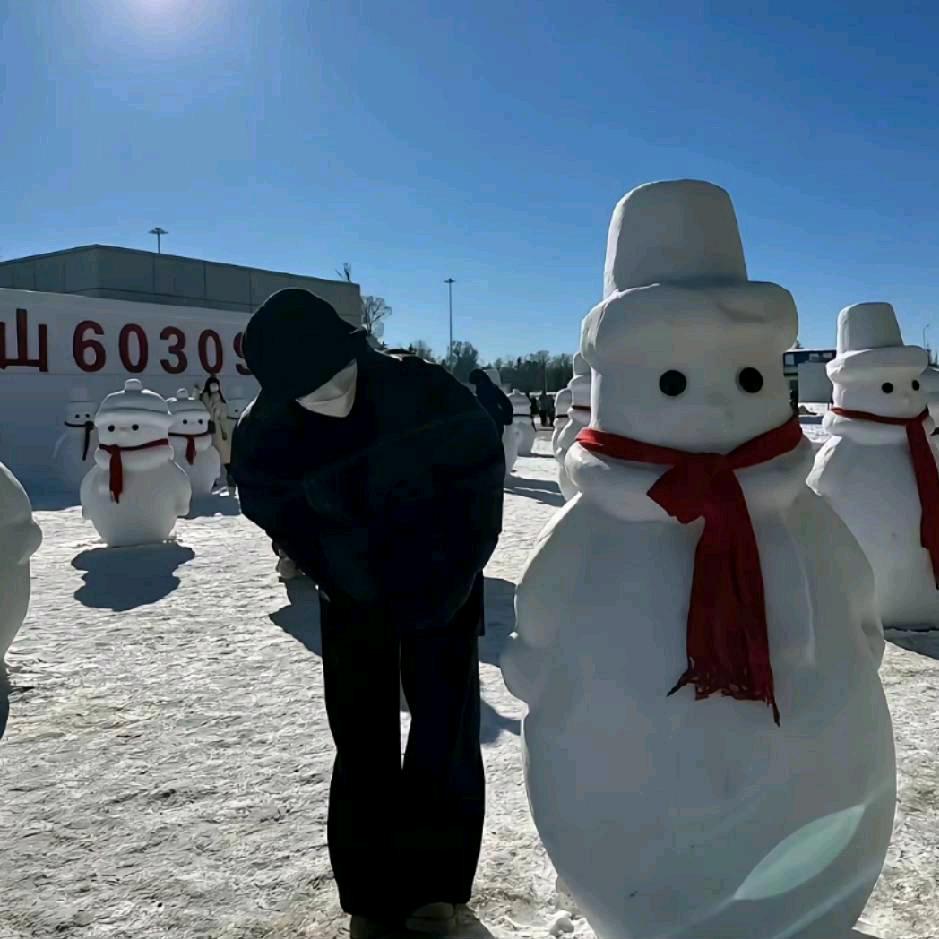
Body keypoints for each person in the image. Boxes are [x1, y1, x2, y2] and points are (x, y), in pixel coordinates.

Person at [231, 289, 505, 939]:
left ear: (353, 350)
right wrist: (340, 570)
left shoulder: (424, 389)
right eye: (307, 391)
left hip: (445, 580)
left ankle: (436, 890)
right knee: (363, 741)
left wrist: (450, 579)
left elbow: (478, 482)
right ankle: (371, 894)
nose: (328, 395)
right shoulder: (265, 429)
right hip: (353, 597)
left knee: (444, 729)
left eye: (334, 378)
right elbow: (273, 506)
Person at [199, 375, 234, 491]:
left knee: (224, 456)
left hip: (220, 431)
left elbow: (223, 413)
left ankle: (230, 478)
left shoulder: (218, 398)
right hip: (210, 429)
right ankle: (213, 479)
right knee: (213, 456)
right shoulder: (205, 397)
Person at [467, 369, 513, 434]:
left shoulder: (489, 391)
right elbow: (507, 404)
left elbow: (506, 404)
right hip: (490, 424)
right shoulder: (491, 390)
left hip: (491, 424)